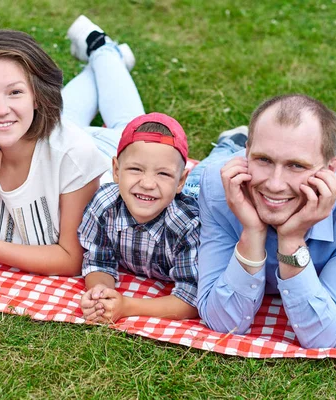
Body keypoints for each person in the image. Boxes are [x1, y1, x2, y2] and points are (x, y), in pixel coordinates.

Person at [194, 90, 336, 349]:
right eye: (264, 159)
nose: (275, 184)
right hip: (317, 150)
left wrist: (291, 239)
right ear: (246, 152)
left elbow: (327, 337)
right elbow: (223, 321)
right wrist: (253, 231)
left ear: (329, 170)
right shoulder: (219, 188)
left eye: (295, 166)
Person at [0, 29, 109, 275]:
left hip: (106, 143)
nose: (0, 109)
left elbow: (71, 260)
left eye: (15, 92)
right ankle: (98, 60)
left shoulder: (75, 154)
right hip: (37, 123)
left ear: (37, 96)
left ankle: (104, 51)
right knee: (70, 109)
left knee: (124, 120)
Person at [63, 16, 200, 324]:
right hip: (104, 144)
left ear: (181, 181)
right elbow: (98, 259)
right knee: (54, 126)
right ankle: (104, 53)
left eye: (164, 175)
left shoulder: (188, 225)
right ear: (116, 169)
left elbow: (192, 297)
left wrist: (127, 306)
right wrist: (101, 295)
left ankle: (103, 52)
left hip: (120, 142)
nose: (148, 184)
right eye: (136, 170)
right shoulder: (104, 202)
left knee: (58, 124)